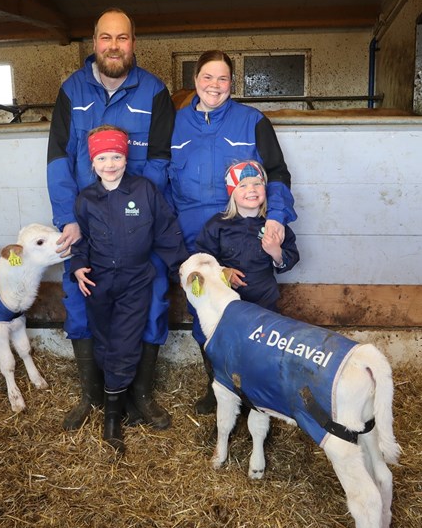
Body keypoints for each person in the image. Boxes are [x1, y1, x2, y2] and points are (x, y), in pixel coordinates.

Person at [47, 8, 176, 431]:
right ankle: (91, 395)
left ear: (133, 42)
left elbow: (158, 162)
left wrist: (135, 212)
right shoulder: (72, 90)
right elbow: (57, 161)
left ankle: (139, 395)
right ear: (95, 42)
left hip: (138, 229)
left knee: (154, 303)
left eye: (122, 38)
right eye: (106, 38)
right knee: (80, 301)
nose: (114, 46)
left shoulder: (154, 92)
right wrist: (68, 218)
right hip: (86, 224)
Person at [168, 50, 297, 414]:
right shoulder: (173, 125)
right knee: (204, 313)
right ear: (195, 81)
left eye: (222, 79)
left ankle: (255, 389)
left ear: (232, 83)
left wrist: (277, 216)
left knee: (252, 311)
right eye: (207, 77)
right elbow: (161, 178)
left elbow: (278, 173)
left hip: (242, 232)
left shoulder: (252, 121)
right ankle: (219, 385)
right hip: (196, 238)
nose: (215, 85)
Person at [71, 126, 188, 453]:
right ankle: (120, 404)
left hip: (135, 280)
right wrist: (77, 266)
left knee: (124, 342)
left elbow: (166, 231)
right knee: (105, 343)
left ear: (126, 158)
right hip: (97, 283)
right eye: (103, 157)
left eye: (117, 156)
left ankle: (111, 423)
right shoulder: (86, 199)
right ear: (93, 162)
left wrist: (183, 267)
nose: (111, 163)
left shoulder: (144, 190)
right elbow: (81, 240)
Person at [196, 160, 299, 312]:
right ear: (232, 192)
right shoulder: (217, 225)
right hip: (226, 301)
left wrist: (276, 252)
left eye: (257, 184)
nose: (251, 189)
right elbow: (201, 258)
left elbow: (291, 258)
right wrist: (223, 272)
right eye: (243, 185)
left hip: (265, 301)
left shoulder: (274, 226)